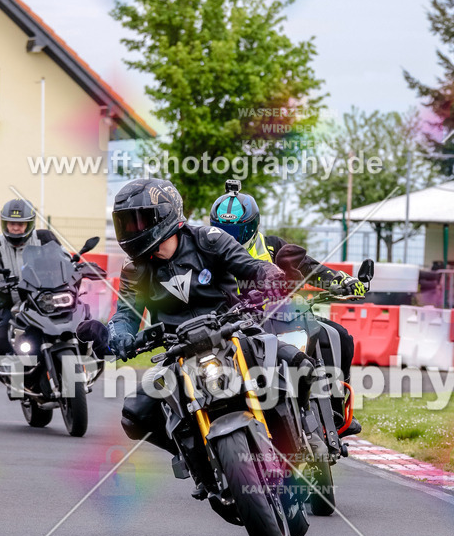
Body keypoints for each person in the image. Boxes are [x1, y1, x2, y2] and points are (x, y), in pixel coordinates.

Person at [95, 177, 288, 456]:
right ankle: (197, 457)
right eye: (126, 222)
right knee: (135, 414)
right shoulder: (134, 270)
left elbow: (249, 265)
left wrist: (269, 275)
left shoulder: (209, 240)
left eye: (140, 220)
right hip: (178, 352)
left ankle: (304, 440)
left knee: (295, 363)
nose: (133, 229)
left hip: (234, 333)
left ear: (166, 213)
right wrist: (119, 336)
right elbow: (125, 314)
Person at [210, 180, 363, 435]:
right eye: (224, 232)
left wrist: (341, 281)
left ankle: (336, 407)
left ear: (253, 226)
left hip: (283, 321)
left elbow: (309, 267)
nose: (232, 239)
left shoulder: (272, 247)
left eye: (238, 232)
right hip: (235, 332)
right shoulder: (207, 255)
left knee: (339, 336)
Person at [0, 199, 61, 356]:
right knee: (0, 343)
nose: (15, 227)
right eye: (11, 223)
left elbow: (64, 261)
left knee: (76, 329)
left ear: (30, 223)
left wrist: (79, 267)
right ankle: (15, 376)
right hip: (10, 308)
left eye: (21, 224)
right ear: (4, 223)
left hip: (47, 305)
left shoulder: (45, 239)